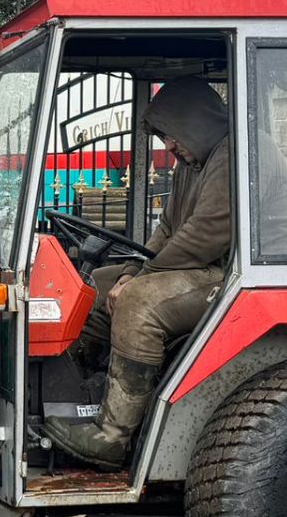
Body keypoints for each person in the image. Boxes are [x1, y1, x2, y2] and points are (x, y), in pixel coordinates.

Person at [44, 76, 236, 469]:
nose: (168, 147)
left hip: (234, 274)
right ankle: (80, 388)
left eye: (172, 135)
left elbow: (206, 236)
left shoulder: (232, 156)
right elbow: (167, 230)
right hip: (201, 266)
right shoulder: (193, 162)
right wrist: (132, 268)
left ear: (194, 122)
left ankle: (113, 435)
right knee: (94, 285)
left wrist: (139, 279)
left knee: (139, 302)